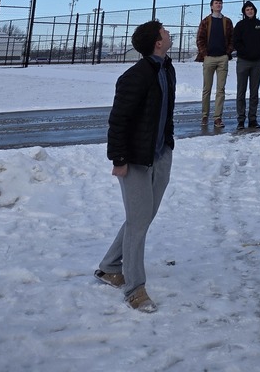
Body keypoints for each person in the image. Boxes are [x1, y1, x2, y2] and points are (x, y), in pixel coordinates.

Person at [95, 19, 175, 314]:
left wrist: (167, 144)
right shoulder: (135, 76)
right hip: (135, 160)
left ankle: (108, 267)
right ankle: (134, 289)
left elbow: (165, 112)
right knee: (139, 221)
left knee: (141, 217)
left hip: (160, 155)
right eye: (164, 31)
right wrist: (118, 159)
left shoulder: (166, 68)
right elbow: (118, 120)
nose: (169, 34)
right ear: (157, 41)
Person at [195, 0, 234, 128]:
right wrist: (205, 54)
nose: (219, 5)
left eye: (220, 3)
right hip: (209, 58)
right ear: (211, 6)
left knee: (220, 89)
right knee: (207, 89)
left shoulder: (227, 21)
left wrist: (227, 52)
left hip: (222, 58)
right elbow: (200, 38)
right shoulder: (206, 21)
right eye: (216, 3)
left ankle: (217, 117)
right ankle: (205, 115)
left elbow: (232, 39)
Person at [233, 1, 260, 130]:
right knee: (241, 91)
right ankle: (241, 120)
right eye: (247, 9)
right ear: (244, 12)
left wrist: (259, 52)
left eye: (251, 9)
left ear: (255, 11)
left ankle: (252, 119)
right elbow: (236, 42)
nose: (250, 11)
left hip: (257, 62)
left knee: (254, 92)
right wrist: (245, 52)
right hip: (243, 62)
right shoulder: (240, 25)